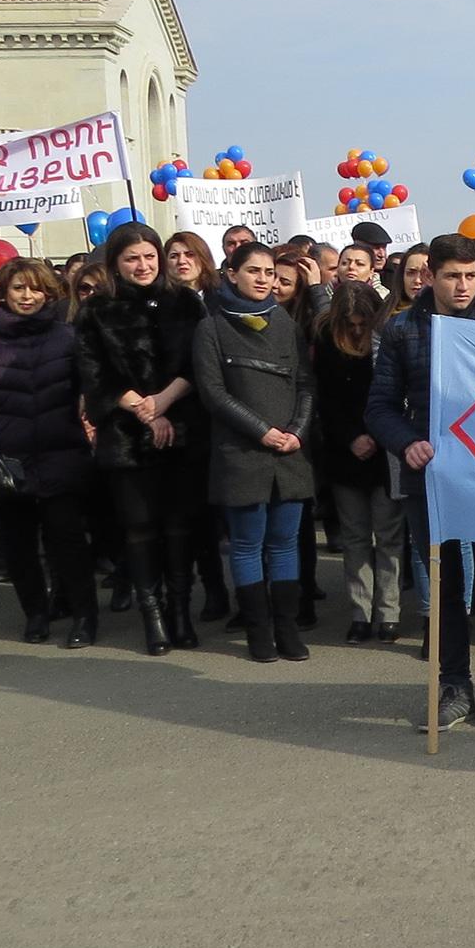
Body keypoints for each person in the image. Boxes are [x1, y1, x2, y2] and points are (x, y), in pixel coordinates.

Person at [373, 235, 475, 732]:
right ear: (429, 276)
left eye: (470, 275)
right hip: (432, 475)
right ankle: (454, 685)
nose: (463, 286)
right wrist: (406, 443)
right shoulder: (402, 329)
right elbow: (380, 406)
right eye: (452, 276)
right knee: (445, 585)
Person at [74, 221, 209, 656]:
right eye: (132, 258)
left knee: (180, 527)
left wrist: (164, 402)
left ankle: (180, 612)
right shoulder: (96, 310)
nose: (143, 265)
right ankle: (153, 616)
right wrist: (144, 410)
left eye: (150, 256)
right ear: (115, 263)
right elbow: (95, 374)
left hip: (182, 429)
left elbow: (199, 364)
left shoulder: (185, 302)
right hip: (126, 435)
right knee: (140, 529)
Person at [194, 242, 317, 663]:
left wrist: (296, 431)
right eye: (253, 271)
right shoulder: (211, 328)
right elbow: (213, 393)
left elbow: (306, 384)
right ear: (231, 274)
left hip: (289, 451)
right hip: (242, 451)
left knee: (285, 543)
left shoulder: (287, 324)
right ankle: (258, 631)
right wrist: (262, 432)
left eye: (269, 272)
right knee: (247, 544)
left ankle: (287, 628)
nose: (264, 279)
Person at [0, 258, 98, 647]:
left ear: (48, 293)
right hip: (9, 459)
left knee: (68, 540)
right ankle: (36, 613)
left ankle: (84, 615)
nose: (27, 296)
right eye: (18, 288)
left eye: (36, 289)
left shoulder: (67, 337)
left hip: (61, 452)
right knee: (18, 545)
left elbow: (91, 389)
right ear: (3, 293)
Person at [314, 281, 404, 645]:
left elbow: (394, 396)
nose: (356, 331)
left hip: (383, 452)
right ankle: (360, 612)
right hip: (345, 453)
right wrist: (351, 437)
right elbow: (325, 400)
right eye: (349, 324)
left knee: (389, 536)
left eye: (362, 324)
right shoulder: (326, 343)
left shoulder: (386, 343)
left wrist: (375, 435)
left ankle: (389, 612)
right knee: (354, 538)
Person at [165, 231, 218, 299]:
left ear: (203, 259)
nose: (181, 261)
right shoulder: (159, 300)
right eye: (174, 256)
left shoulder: (222, 298)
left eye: (190, 255)